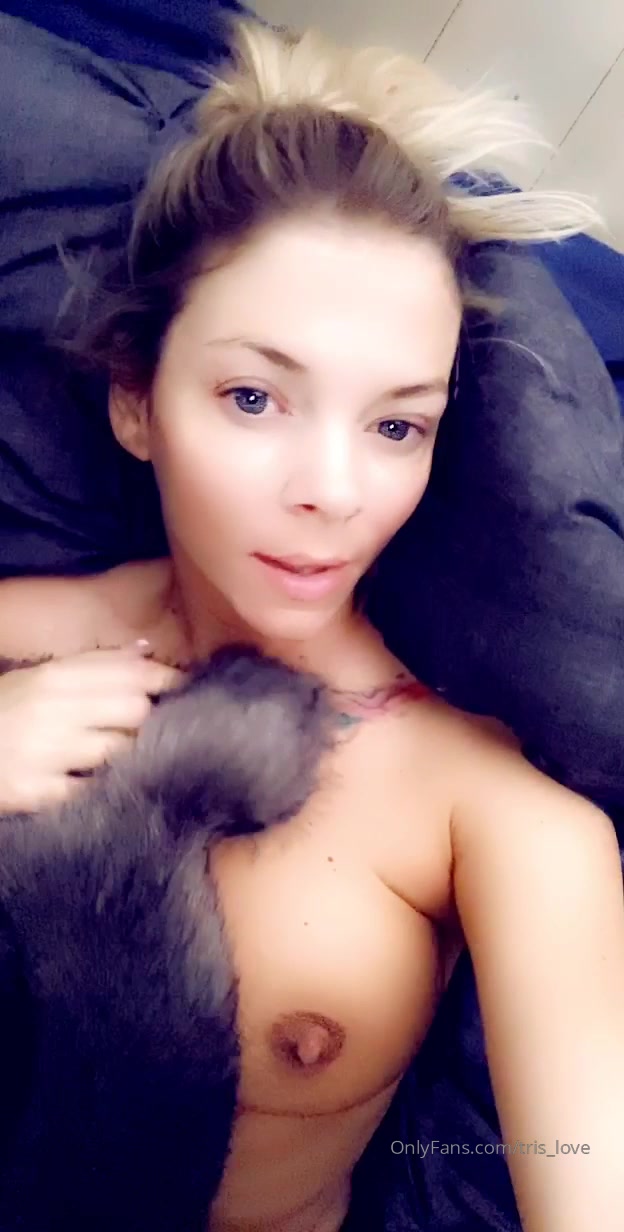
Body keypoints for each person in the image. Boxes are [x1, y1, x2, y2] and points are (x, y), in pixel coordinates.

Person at [0, 19, 622, 1232]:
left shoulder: (494, 817)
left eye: (396, 425)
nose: (333, 491)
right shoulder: (31, 636)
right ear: (136, 399)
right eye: (254, 395)